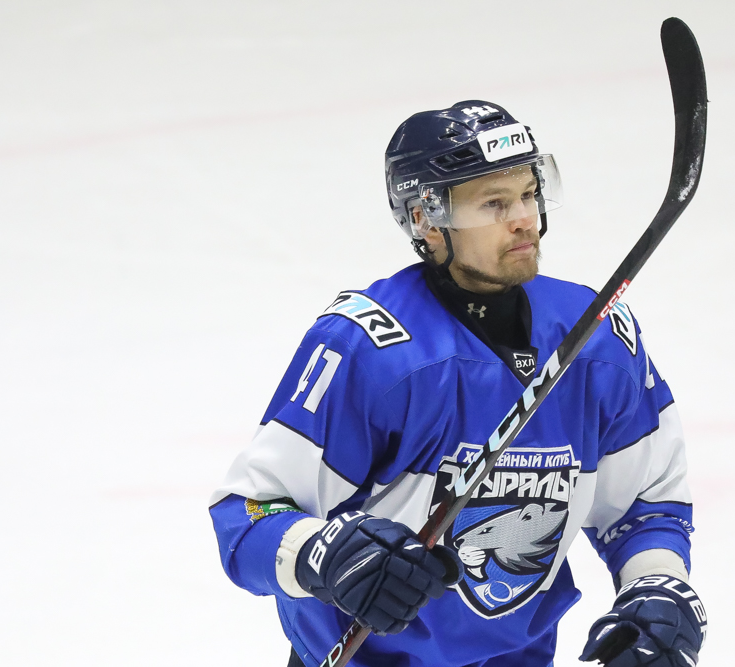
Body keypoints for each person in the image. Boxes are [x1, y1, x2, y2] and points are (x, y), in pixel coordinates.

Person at [209, 100, 707, 667]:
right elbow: (247, 515)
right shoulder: (371, 350)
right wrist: (324, 554)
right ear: (427, 220)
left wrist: (656, 584)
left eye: (528, 193)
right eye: (493, 203)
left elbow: (644, 503)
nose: (523, 219)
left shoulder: (597, 340)